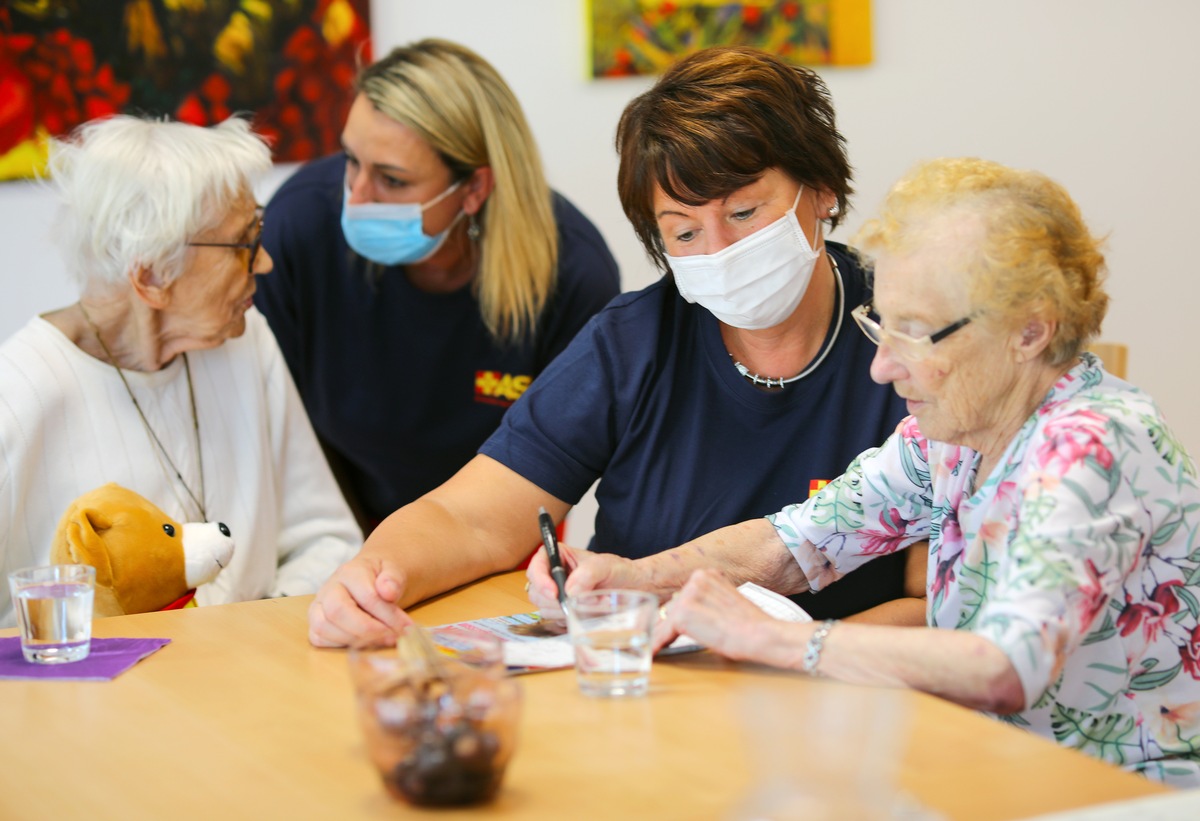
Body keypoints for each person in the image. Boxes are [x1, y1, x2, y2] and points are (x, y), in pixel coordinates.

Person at [530, 157, 1200, 786]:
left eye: (915, 332)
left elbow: (1005, 665)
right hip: (996, 767)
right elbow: (798, 541)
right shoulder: (955, 433)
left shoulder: (1091, 446)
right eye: (883, 326)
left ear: (1028, 331)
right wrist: (630, 578)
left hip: (1120, 793)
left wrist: (778, 639)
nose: (882, 366)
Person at [306, 46, 921, 649]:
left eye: (742, 212)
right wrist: (374, 575)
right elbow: (470, 517)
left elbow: (943, 606)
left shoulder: (909, 339)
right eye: (683, 230)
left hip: (851, 710)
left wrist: (779, 648)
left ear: (821, 190)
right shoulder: (636, 343)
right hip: (647, 698)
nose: (718, 251)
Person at [0, 115, 361, 628]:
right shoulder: (17, 396)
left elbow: (326, 538)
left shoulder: (247, 342)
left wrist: (253, 633)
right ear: (150, 277)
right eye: (244, 244)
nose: (264, 265)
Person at [254, 39, 621, 531]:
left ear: (473, 188)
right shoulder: (299, 228)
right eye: (350, 160)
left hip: (494, 530)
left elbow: (550, 472)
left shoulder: (571, 274)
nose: (357, 197)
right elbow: (279, 435)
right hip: (334, 526)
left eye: (392, 180)